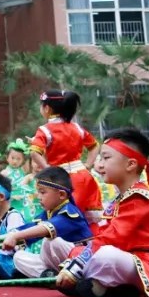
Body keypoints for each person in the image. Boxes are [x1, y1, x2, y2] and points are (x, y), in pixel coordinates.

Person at [55, 128, 149, 297]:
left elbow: (111, 239)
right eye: (100, 158)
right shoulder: (122, 198)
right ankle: (96, 284)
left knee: (106, 255)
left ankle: (103, 286)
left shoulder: (140, 197)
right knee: (60, 245)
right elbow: (102, 238)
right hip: (132, 258)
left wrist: (76, 266)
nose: (99, 165)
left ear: (130, 164)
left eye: (106, 158)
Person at [7, 167, 96, 278]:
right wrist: (1, 238)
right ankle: (49, 275)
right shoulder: (49, 212)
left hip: (79, 259)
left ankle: (56, 275)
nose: (38, 197)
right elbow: (31, 227)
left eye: (43, 192)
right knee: (18, 257)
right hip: (58, 261)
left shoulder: (70, 212)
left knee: (52, 241)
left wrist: (16, 236)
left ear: (61, 195)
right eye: (38, 192)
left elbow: (45, 228)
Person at [30, 90, 102, 224]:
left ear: (47, 108)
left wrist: (48, 170)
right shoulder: (77, 127)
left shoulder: (45, 130)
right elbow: (94, 146)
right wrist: (87, 165)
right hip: (83, 176)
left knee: (65, 220)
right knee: (88, 219)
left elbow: (34, 152)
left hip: (62, 180)